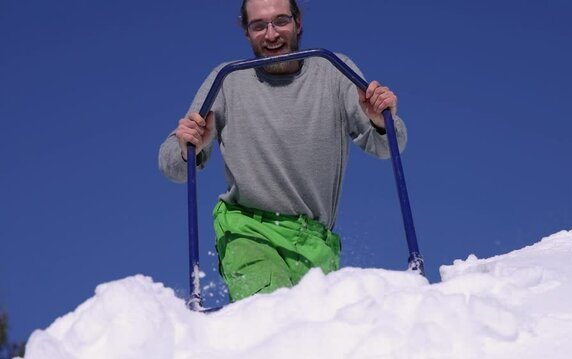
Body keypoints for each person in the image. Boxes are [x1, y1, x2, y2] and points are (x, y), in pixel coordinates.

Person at [159, 0, 407, 302]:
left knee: (312, 336)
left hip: (315, 241)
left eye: (280, 21)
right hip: (248, 230)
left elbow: (389, 146)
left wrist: (382, 122)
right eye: (259, 25)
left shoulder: (333, 70)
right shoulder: (228, 80)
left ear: (298, 23)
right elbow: (172, 163)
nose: (271, 34)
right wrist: (190, 147)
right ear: (246, 32)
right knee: (273, 312)